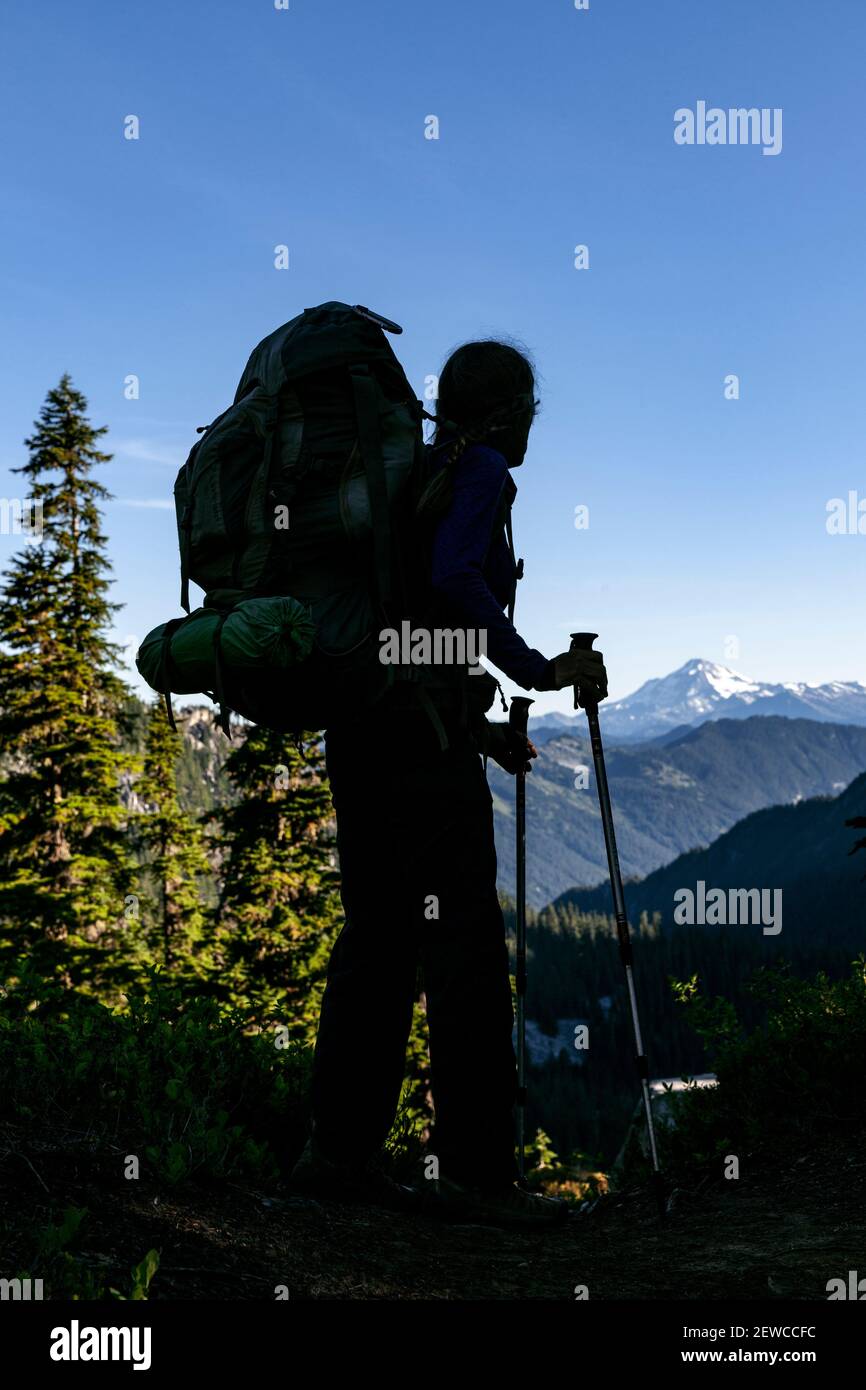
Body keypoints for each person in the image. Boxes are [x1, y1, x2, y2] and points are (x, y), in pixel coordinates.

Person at [290, 338, 608, 1226]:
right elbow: (454, 582)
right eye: (530, 408)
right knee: (463, 948)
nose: (533, 424)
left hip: (365, 733)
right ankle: (478, 1177)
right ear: (510, 414)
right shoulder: (479, 477)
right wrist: (532, 669)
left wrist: (477, 726)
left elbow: (408, 635)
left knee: (379, 942)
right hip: (420, 755)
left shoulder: (401, 481)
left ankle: (337, 1156)